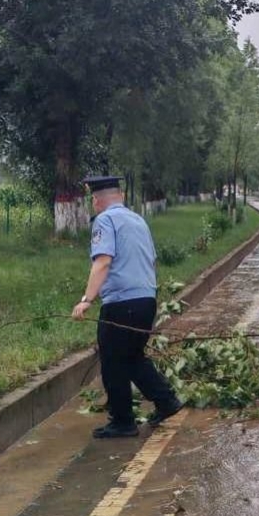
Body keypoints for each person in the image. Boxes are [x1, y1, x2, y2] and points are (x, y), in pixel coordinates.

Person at [72, 176, 182, 439]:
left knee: (112, 360)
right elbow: (151, 260)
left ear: (96, 200)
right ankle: (166, 401)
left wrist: (87, 299)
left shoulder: (104, 221)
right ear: (120, 196)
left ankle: (122, 421)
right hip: (146, 300)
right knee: (132, 357)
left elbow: (103, 262)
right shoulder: (138, 220)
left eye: (93, 200)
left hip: (122, 303)